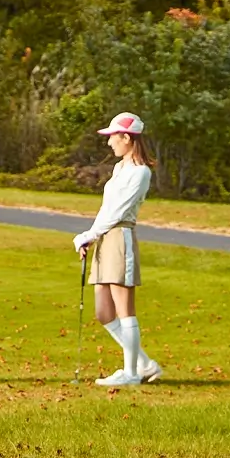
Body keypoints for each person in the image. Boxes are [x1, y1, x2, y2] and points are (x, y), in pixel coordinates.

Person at [72, 112, 164, 387]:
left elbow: (118, 211)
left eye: (113, 137)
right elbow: (106, 209)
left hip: (121, 237)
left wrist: (90, 234)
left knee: (125, 310)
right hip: (105, 237)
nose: (109, 142)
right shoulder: (119, 169)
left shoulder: (140, 172)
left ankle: (131, 373)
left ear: (126, 137)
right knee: (103, 312)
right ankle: (145, 364)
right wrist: (90, 237)